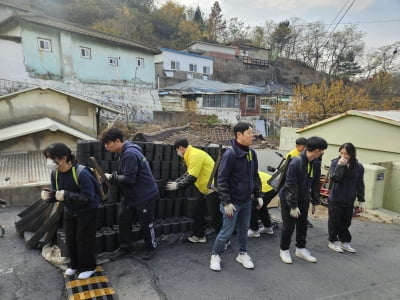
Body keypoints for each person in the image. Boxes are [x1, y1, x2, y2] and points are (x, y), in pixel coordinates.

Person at [41, 143, 100, 279]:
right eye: (47, 158)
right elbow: (57, 193)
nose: (49, 161)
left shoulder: (82, 173)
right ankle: (74, 265)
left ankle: (88, 267)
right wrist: (49, 197)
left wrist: (66, 195)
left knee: (84, 240)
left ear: (63, 158)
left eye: (51, 158)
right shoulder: (55, 173)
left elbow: (88, 197)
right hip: (70, 210)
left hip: (87, 211)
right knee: (71, 239)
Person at [209, 122, 263, 272]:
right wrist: (226, 202)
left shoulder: (252, 153)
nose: (253, 136)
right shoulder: (230, 154)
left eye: (252, 133)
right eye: (249, 133)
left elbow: (255, 176)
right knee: (226, 231)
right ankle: (215, 255)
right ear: (239, 134)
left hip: (246, 201)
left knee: (243, 229)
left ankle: (243, 254)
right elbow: (221, 179)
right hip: (232, 203)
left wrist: (258, 194)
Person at [100, 127, 158, 260]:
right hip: (131, 194)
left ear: (117, 141)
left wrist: (110, 177)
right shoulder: (124, 151)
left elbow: (129, 179)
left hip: (144, 194)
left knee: (146, 222)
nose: (106, 146)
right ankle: (125, 249)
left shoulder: (129, 154)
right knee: (123, 219)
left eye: (108, 143)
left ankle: (151, 247)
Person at [279, 136, 327, 264]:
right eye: (322, 150)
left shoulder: (315, 163)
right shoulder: (296, 162)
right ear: (317, 150)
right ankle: (284, 250)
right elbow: (290, 185)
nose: (322, 153)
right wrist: (293, 206)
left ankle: (300, 249)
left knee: (302, 225)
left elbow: (316, 182)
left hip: (303, 198)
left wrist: (315, 201)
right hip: (289, 198)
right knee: (288, 226)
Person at [165, 138, 222, 243]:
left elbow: (192, 177)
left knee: (215, 216)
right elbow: (188, 173)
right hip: (203, 189)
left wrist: (178, 186)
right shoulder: (190, 155)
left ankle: (224, 241)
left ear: (181, 148)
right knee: (198, 212)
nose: (177, 153)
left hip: (212, 189)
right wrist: (177, 182)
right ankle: (199, 235)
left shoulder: (195, 155)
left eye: (177, 150)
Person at [327, 143, 365, 253]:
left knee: (346, 222)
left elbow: (360, 183)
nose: (343, 156)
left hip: (349, 198)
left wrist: (361, 199)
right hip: (336, 198)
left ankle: (345, 242)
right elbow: (335, 178)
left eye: (346, 154)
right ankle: (332, 241)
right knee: (334, 221)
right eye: (341, 153)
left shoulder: (358, 166)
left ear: (352, 154)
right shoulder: (335, 162)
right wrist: (340, 166)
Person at [286, 137, 314, 229]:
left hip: (304, 186)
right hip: (294, 185)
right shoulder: (292, 156)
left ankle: (304, 219)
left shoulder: (309, 157)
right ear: (297, 146)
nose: (305, 149)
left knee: (303, 209)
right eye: (303, 147)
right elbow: (289, 178)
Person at [248, 171, 277, 237]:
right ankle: (268, 228)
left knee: (253, 208)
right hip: (273, 188)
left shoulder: (246, 173)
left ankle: (254, 231)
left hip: (265, 188)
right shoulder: (250, 169)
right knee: (262, 207)